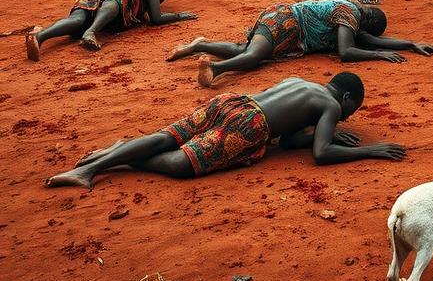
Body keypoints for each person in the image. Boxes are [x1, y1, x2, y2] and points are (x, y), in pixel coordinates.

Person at [46, 73, 406, 188]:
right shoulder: (329, 105)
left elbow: (291, 138)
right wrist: (368, 150)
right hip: (250, 124)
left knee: (166, 136)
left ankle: (111, 155)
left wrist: (317, 133)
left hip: (233, 101)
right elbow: (322, 156)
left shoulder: (300, 81)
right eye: (349, 111)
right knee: (180, 164)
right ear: (344, 97)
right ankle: (116, 162)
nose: (343, 117)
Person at [167, 0, 433, 86]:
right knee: (252, 58)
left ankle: (200, 45)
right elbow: (347, 51)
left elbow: (369, 40)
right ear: (364, 20)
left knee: (246, 51)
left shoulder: (351, 17)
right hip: (286, 22)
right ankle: (215, 70)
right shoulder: (348, 13)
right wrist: (378, 56)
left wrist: (410, 44)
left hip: (287, 25)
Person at [25, 0, 196, 58]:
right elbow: (156, 18)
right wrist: (178, 16)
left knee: (78, 18)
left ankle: (40, 36)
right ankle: (91, 31)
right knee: (113, 3)